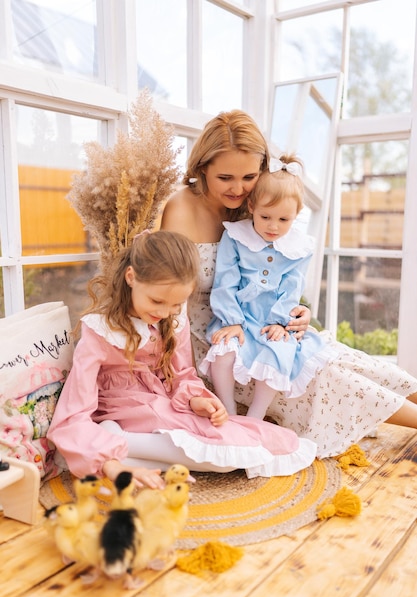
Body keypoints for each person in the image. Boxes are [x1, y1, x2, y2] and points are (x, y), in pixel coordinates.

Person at [161, 109, 417, 458]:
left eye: (249, 176)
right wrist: (179, 374)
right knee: (331, 378)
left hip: (267, 325)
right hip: (216, 338)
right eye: (225, 177)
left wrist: (298, 312)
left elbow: (281, 271)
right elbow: (165, 296)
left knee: (345, 359)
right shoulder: (180, 208)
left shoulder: (256, 208)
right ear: (202, 168)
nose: (238, 189)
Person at [47, 230, 317, 486]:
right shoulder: (100, 331)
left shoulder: (172, 320)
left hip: (163, 407)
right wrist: (111, 467)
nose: (165, 313)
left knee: (253, 442)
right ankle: (106, 447)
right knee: (224, 454)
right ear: (131, 277)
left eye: (176, 304)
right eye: (156, 301)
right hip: (124, 412)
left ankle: (116, 447)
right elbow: (72, 413)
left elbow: (182, 374)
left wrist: (196, 400)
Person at [199, 155, 337, 420]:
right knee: (224, 353)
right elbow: (225, 280)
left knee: (279, 352)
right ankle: (226, 409)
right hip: (238, 316)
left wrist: (280, 322)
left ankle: (255, 417)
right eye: (266, 216)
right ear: (251, 206)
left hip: (271, 320)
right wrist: (232, 320)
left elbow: (292, 287)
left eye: (284, 220)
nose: (273, 226)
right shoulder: (235, 236)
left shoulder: (299, 248)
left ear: (296, 215)